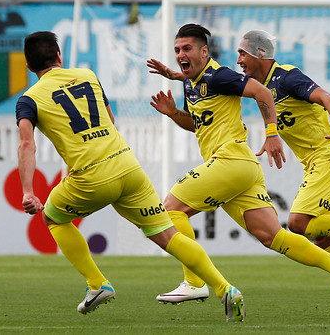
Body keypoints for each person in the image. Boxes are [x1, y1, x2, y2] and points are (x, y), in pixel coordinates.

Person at [16, 31, 246, 322]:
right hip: (128, 167)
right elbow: (109, 120)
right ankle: (225, 288)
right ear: (59, 56)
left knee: (53, 217)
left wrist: (27, 191)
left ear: (28, 66)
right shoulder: (87, 75)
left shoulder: (28, 99)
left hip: (90, 177)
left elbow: (27, 144)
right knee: (166, 235)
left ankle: (97, 284)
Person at [146, 23, 330, 312]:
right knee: (272, 237)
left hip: (230, 161)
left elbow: (264, 93)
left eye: (187, 48)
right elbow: (197, 125)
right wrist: (173, 113)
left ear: (204, 51)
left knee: (171, 210)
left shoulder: (219, 75)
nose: (180, 54)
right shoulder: (190, 82)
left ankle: (195, 282)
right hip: (240, 170)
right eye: (177, 50)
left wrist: (272, 133)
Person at [234, 30, 330, 316]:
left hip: (329, 156)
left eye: (242, 53)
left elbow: (325, 96)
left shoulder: (287, 76)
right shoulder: (260, 88)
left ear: (259, 54)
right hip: (317, 162)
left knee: (296, 223)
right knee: (325, 239)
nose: (238, 60)